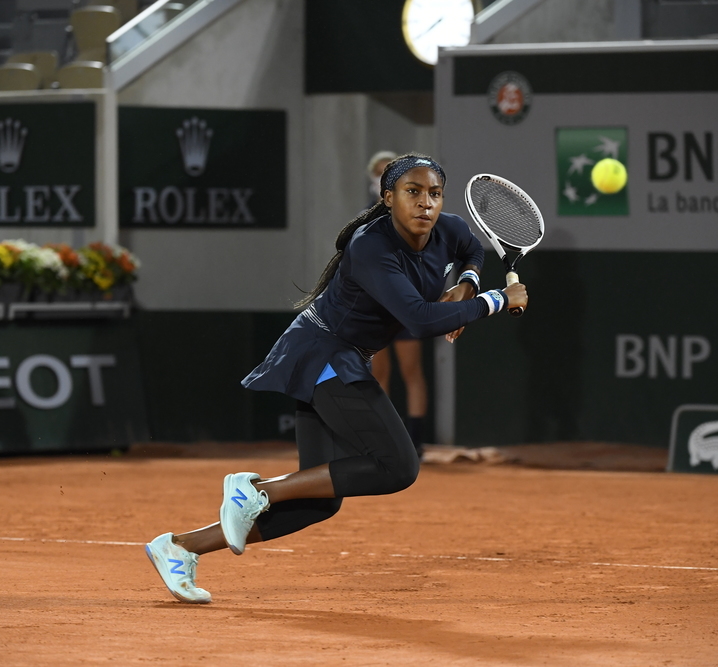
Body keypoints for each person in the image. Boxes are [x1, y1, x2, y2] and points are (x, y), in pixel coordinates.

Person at [144, 153, 528, 604]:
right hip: (322, 353)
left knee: (319, 501)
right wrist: (496, 300)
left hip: (343, 357)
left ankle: (180, 547)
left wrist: (464, 283)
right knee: (398, 466)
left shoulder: (449, 229)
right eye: (413, 192)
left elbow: (471, 250)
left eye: (435, 194)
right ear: (388, 198)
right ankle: (255, 490)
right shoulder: (371, 246)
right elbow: (422, 321)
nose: (426, 203)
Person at [365, 150, 429, 457]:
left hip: (406, 305)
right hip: (376, 307)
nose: (380, 177)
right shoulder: (367, 218)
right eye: (377, 173)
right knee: (379, 373)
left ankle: (415, 442)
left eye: (386, 172)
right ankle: (386, 440)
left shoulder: (418, 213)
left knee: (411, 370)